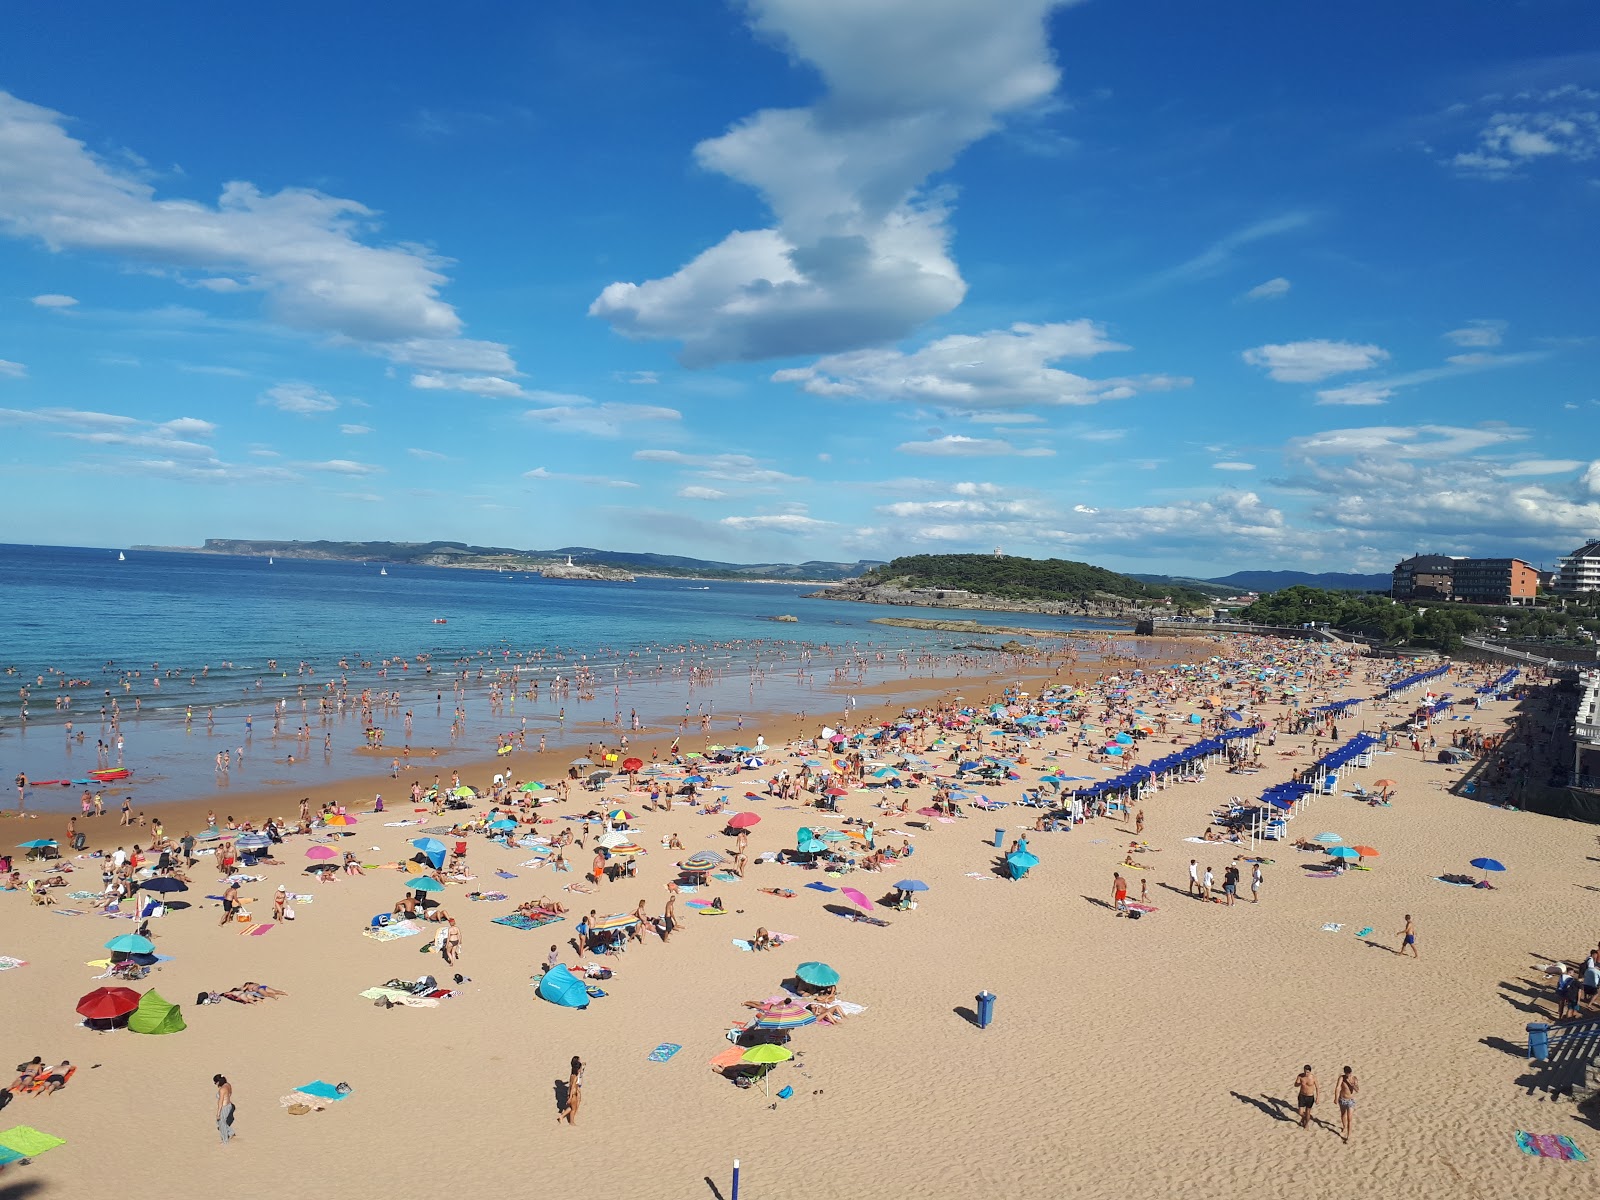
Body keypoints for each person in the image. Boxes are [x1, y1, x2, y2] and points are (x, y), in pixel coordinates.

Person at [1335, 1066, 1359, 1143]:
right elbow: (1338, 1087)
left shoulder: (1354, 1079)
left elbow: (1357, 1090)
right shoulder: (1341, 1078)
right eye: (1347, 1074)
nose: (1348, 1075)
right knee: (1343, 1115)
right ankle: (1344, 1127)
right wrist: (1336, 1097)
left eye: (1349, 1073)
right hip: (1342, 1099)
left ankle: (1348, 1136)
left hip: (1350, 1101)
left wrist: (1352, 1085)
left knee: (1350, 1118)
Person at [558, 1055, 584, 1124]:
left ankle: (561, 1116)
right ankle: (571, 1122)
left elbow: (570, 1086)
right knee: (573, 1109)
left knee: (571, 1108)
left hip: (571, 1094)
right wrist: (570, 1097)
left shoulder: (572, 1075)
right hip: (573, 1095)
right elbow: (572, 1087)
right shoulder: (575, 1077)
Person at [1294, 1064, 1318, 1129]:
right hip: (1302, 1095)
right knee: (1300, 1112)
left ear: (1310, 1072)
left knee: (1308, 1112)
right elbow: (1295, 1085)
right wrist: (1299, 1083)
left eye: (1307, 1072)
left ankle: (1306, 1124)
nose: (1306, 1073)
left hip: (1310, 1097)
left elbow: (1317, 1088)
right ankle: (1304, 1118)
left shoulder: (1313, 1077)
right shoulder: (1300, 1076)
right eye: (1305, 1072)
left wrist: (1317, 1098)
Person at [214, 1074, 236, 1143]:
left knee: (221, 1123)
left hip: (224, 1107)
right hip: (229, 1105)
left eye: (215, 1082)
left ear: (218, 1081)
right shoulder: (228, 1085)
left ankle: (225, 1140)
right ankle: (231, 1132)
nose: (215, 1084)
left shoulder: (222, 1090)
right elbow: (230, 1093)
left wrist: (218, 1113)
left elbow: (220, 1102)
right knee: (220, 1122)